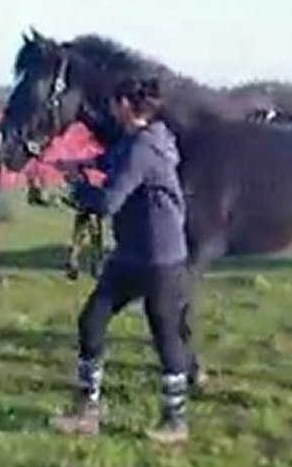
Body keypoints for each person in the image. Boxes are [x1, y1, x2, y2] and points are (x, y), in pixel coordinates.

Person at [53, 75, 197, 444]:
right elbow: (113, 159)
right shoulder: (142, 139)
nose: (112, 109)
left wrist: (74, 189)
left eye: (116, 103)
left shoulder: (145, 147)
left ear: (126, 106)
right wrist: (79, 163)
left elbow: (107, 202)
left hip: (160, 258)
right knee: (92, 321)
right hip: (131, 253)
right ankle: (87, 411)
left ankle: (175, 422)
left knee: (165, 334)